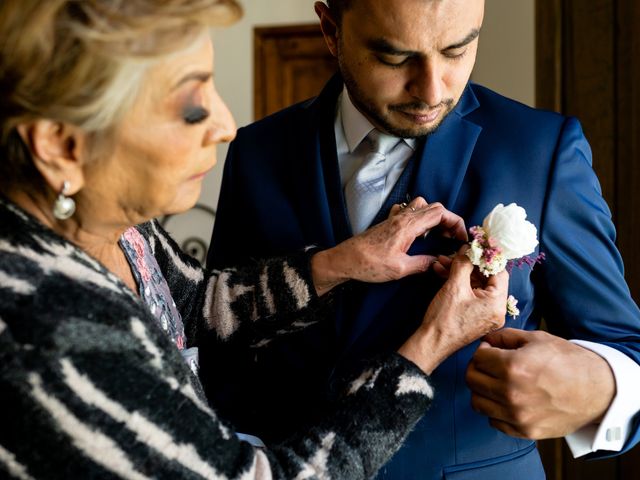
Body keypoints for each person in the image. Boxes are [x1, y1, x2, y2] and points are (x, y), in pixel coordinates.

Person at [0, 1, 514, 479]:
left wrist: (339, 264)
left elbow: (191, 305)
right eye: (190, 108)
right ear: (61, 146)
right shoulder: (50, 334)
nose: (225, 125)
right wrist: (430, 345)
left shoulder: (119, 227)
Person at [208, 0, 640, 478]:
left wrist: (597, 387)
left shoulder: (541, 149)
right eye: (395, 58)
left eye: (458, 50)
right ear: (332, 30)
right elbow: (221, 347)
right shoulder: (257, 151)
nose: (432, 91)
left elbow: (626, 345)